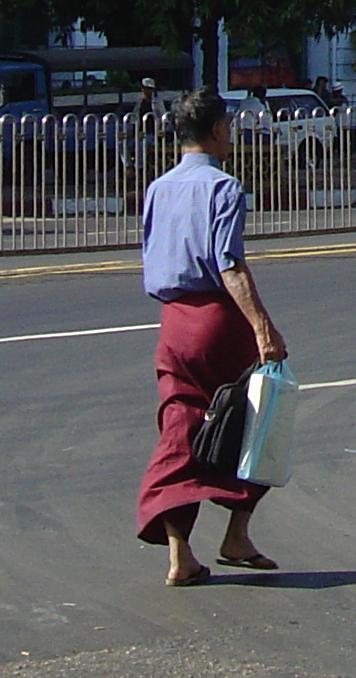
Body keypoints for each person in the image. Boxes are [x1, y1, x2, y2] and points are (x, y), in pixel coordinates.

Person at [135, 88, 292, 585]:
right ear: (220, 130)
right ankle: (237, 532)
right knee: (254, 422)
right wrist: (263, 327)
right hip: (218, 323)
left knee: (181, 426)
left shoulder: (158, 188)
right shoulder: (223, 188)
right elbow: (230, 266)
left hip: (174, 323)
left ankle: (180, 554)